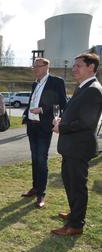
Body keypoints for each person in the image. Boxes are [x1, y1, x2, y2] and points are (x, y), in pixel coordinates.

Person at [52, 53, 102, 236]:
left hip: (79, 147)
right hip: (71, 146)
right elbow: (75, 115)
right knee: (70, 182)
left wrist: (62, 127)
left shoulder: (93, 90)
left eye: (78, 65)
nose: (74, 69)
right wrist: (61, 121)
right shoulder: (83, 87)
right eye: (73, 66)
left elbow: (86, 123)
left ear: (91, 67)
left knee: (77, 186)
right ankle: (74, 214)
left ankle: (76, 225)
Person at [21, 58, 67, 208]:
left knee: (42, 159)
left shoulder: (56, 82)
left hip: (44, 126)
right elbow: (32, 101)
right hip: (32, 126)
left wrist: (42, 109)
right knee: (35, 158)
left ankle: (41, 194)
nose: (34, 69)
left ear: (47, 66)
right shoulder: (35, 83)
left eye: (37, 66)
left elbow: (62, 103)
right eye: (33, 66)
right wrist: (25, 114)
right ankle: (35, 187)